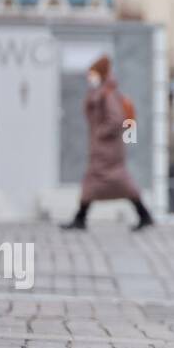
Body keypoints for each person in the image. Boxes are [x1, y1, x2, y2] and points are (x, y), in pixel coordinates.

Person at [61, 56, 152, 231]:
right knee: (98, 182)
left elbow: (116, 119)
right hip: (104, 149)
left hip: (107, 150)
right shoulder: (103, 92)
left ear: (100, 74)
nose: (90, 77)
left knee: (116, 181)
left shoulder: (107, 94)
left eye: (92, 73)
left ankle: (81, 218)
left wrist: (99, 133)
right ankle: (81, 217)